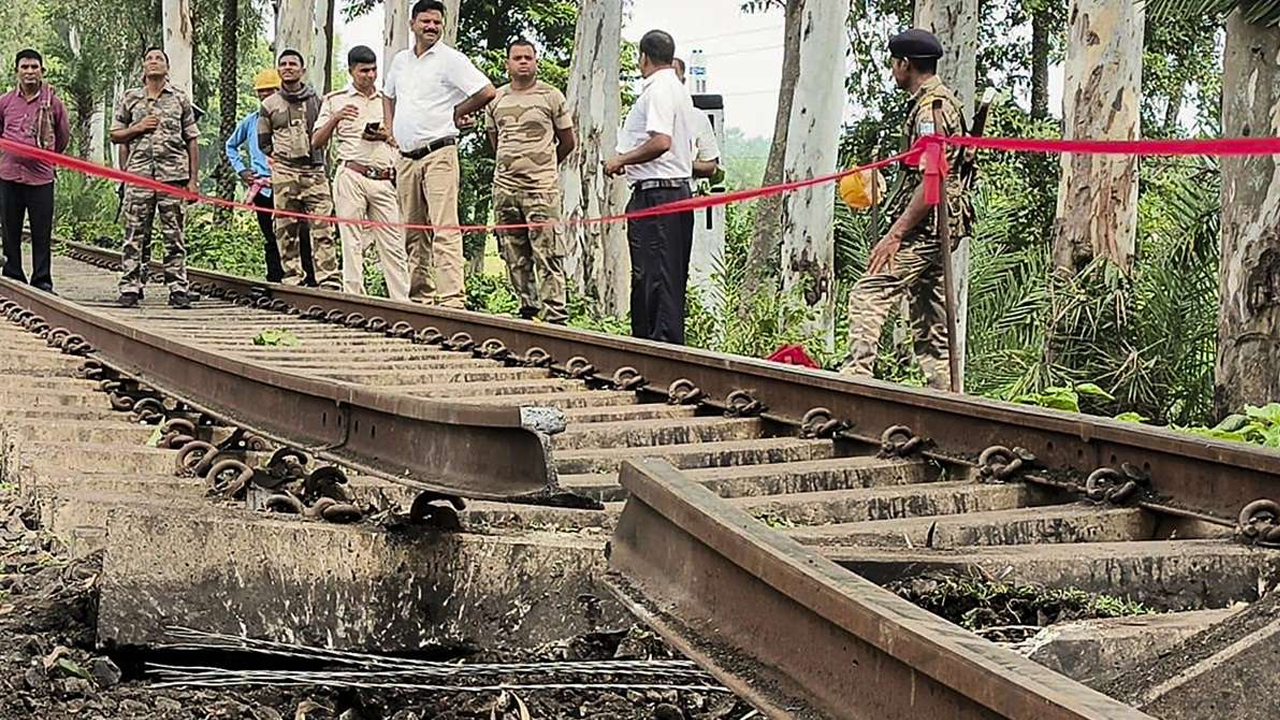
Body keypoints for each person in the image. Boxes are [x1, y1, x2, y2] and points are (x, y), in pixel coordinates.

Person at [841, 28, 973, 391]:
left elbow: (932, 184)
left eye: (893, 64)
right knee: (929, 313)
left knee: (870, 289)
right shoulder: (939, 102)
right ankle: (945, 393)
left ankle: (856, 375)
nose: (892, 72)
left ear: (905, 64)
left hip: (928, 225)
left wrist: (895, 234)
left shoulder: (931, 110)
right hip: (941, 222)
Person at [384, 0, 496, 307]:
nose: (431, 27)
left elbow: (486, 91)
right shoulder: (401, 61)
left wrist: (457, 111)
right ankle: (420, 298)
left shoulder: (450, 59)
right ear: (412, 24)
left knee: (444, 227)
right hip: (406, 156)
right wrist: (390, 129)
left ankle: (451, 299)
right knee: (413, 231)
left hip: (439, 152)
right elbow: (388, 95)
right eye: (426, 21)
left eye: (436, 22)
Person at [604, 30, 696, 345]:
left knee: (656, 277)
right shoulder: (677, 89)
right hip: (671, 191)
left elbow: (661, 142)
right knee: (661, 275)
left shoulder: (658, 90)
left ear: (643, 57)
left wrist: (621, 159)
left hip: (658, 194)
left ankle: (660, 348)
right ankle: (651, 345)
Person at [484, 38, 576, 324]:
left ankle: (555, 314)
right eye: (517, 58)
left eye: (528, 57)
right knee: (513, 252)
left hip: (541, 190)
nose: (523, 62)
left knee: (547, 252)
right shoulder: (496, 99)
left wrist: (544, 167)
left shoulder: (551, 96)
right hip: (505, 189)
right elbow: (495, 141)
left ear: (536, 61)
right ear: (507, 63)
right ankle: (527, 308)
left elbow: (568, 141)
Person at [313, 46, 410, 301]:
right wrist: (335, 118)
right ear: (351, 71)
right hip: (351, 173)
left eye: (374, 70)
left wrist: (386, 135)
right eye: (364, 70)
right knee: (351, 240)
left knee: (393, 242)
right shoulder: (335, 99)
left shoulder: (387, 100)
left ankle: (402, 301)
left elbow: (404, 140)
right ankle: (354, 298)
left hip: (384, 178)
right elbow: (316, 141)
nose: (370, 75)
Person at [109, 47, 198, 308]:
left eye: (159, 58)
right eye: (149, 59)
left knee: (174, 234)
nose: (154, 62)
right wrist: (137, 128)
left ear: (167, 67)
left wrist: (193, 181)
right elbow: (116, 135)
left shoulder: (179, 98)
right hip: (139, 176)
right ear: (143, 67)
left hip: (173, 176)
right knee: (135, 233)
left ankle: (178, 287)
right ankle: (131, 286)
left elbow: (192, 139)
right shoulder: (131, 98)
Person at [258, 49, 341, 290]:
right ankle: (292, 278)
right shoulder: (269, 105)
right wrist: (281, 160)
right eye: (283, 64)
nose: (288, 67)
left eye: (293, 64)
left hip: (314, 172)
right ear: (278, 70)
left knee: (323, 227)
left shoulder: (317, 101)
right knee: (285, 229)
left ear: (302, 70)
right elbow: (264, 142)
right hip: (285, 172)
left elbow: (326, 134)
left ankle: (329, 280)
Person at [0, 49, 70, 294]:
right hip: (8, 176)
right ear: (16, 71)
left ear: (42, 71)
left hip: (41, 178)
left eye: (34, 67)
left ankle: (42, 280)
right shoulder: (5, 102)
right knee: (10, 229)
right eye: (25, 67)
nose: (29, 71)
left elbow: (62, 137)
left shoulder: (53, 104)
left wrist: (44, 156)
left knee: (41, 231)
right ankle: (13, 276)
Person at [225, 68, 303, 284]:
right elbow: (230, 145)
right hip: (264, 188)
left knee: (298, 233)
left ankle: (304, 280)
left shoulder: (293, 118)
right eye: (262, 91)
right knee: (271, 236)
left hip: (290, 185)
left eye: (271, 90)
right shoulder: (251, 121)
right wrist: (241, 170)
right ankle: (275, 280)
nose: (266, 95)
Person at [672, 57, 721, 182]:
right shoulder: (643, 114)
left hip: (683, 189)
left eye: (673, 74)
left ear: (683, 81)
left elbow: (710, 166)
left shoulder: (697, 117)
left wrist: (681, 164)